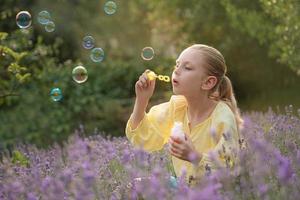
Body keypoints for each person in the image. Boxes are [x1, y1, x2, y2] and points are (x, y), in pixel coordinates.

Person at [125, 44, 243, 185]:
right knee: (135, 186)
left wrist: (195, 157)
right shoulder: (177, 107)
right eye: (177, 65)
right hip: (183, 186)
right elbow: (143, 139)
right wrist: (142, 99)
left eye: (187, 68)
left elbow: (228, 172)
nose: (176, 71)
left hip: (212, 192)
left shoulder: (222, 117)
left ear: (208, 82)